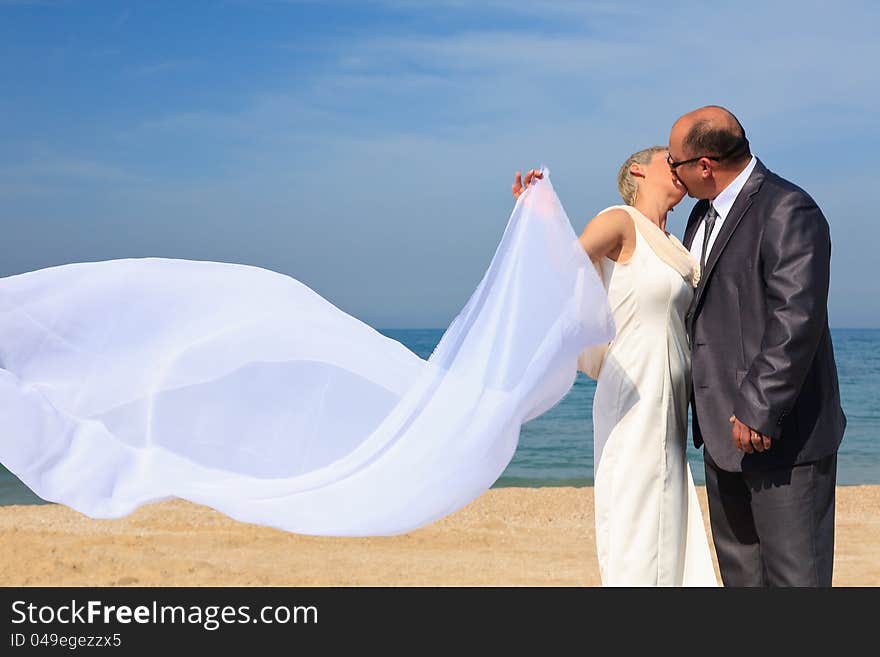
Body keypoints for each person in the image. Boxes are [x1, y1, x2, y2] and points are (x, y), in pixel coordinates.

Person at [513, 147, 718, 586]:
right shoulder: (621, 221)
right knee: (635, 512)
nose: (680, 167)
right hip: (633, 392)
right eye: (671, 159)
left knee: (665, 511)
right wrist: (537, 218)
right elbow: (565, 264)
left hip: (668, 401)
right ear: (637, 171)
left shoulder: (677, 245)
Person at [667, 105, 846, 586]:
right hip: (720, 435)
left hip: (781, 437)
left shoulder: (788, 208)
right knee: (742, 579)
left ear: (704, 165)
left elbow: (797, 315)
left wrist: (759, 408)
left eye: (674, 162)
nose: (671, 172)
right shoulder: (700, 218)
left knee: (794, 581)